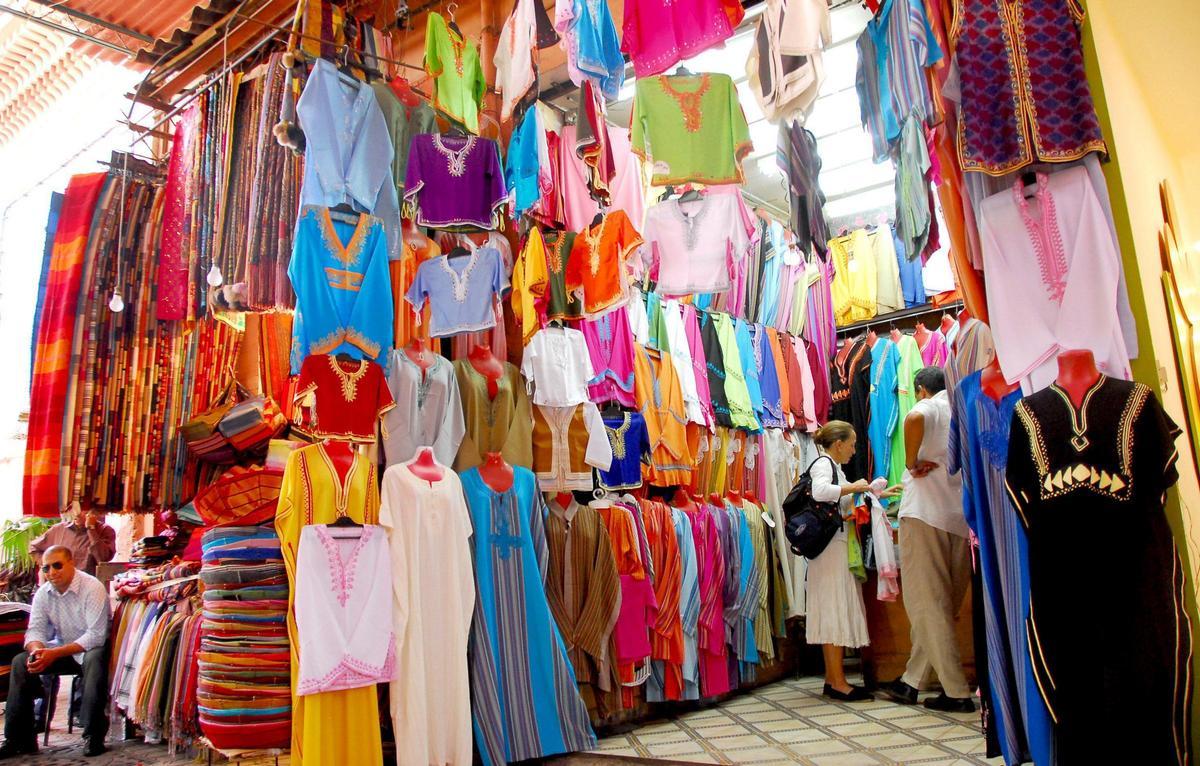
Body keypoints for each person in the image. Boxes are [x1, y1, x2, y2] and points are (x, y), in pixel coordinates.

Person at [879, 366, 974, 712]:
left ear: (920, 388)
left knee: (927, 604)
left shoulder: (929, 406)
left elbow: (915, 417)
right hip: (958, 517)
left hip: (924, 514)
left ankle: (957, 691)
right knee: (942, 605)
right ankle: (911, 681)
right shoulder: (962, 408)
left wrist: (911, 459)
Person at [805, 420, 899, 701]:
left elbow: (842, 494)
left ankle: (834, 678)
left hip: (834, 547)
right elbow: (820, 492)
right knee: (833, 607)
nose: (854, 449)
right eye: (852, 444)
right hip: (830, 548)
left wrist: (872, 490)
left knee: (833, 607)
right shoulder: (823, 465)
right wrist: (854, 488)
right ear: (838, 444)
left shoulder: (834, 467)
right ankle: (837, 682)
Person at [0, 546, 111, 759]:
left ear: (72, 564)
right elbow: (34, 631)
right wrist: (37, 651)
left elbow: (95, 635)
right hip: (62, 651)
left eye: (57, 565)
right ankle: (18, 738)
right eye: (46, 568)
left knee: (94, 657)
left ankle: (93, 735)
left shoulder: (92, 587)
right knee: (21, 661)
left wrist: (55, 653)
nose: (51, 572)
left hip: (88, 650)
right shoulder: (43, 593)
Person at [29, 502, 116, 576]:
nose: (76, 513)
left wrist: (91, 529)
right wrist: (48, 565)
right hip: (59, 586)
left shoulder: (105, 530)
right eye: (74, 508)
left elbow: (103, 558)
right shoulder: (59, 529)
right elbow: (33, 548)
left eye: (81, 509)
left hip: (87, 587)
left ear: (94, 512)